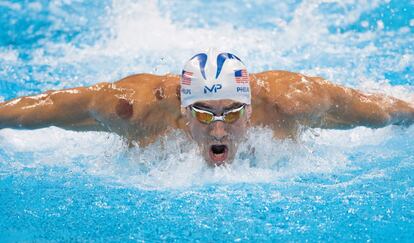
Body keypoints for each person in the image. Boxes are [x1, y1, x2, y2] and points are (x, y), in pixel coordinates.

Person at [0, 49, 413, 166]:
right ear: (182, 111)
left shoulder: (291, 103)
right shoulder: (135, 111)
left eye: (232, 112)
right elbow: (49, 106)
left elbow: (379, 108)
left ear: (251, 111)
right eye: (203, 113)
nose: (219, 130)